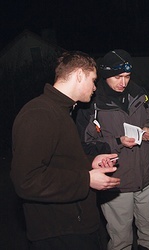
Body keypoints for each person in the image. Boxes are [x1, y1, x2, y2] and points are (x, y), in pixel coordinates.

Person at [10, 51, 121, 250]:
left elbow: (60, 161)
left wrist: (91, 162)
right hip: (59, 233)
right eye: (93, 80)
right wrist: (86, 179)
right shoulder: (39, 114)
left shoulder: (61, 110)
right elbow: (26, 180)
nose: (95, 88)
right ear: (79, 75)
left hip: (76, 226)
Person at [75, 49, 149, 250]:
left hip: (146, 179)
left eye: (127, 76)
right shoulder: (92, 103)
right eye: (117, 77)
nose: (123, 82)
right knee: (121, 240)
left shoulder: (141, 94)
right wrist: (117, 141)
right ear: (105, 75)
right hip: (116, 184)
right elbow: (84, 144)